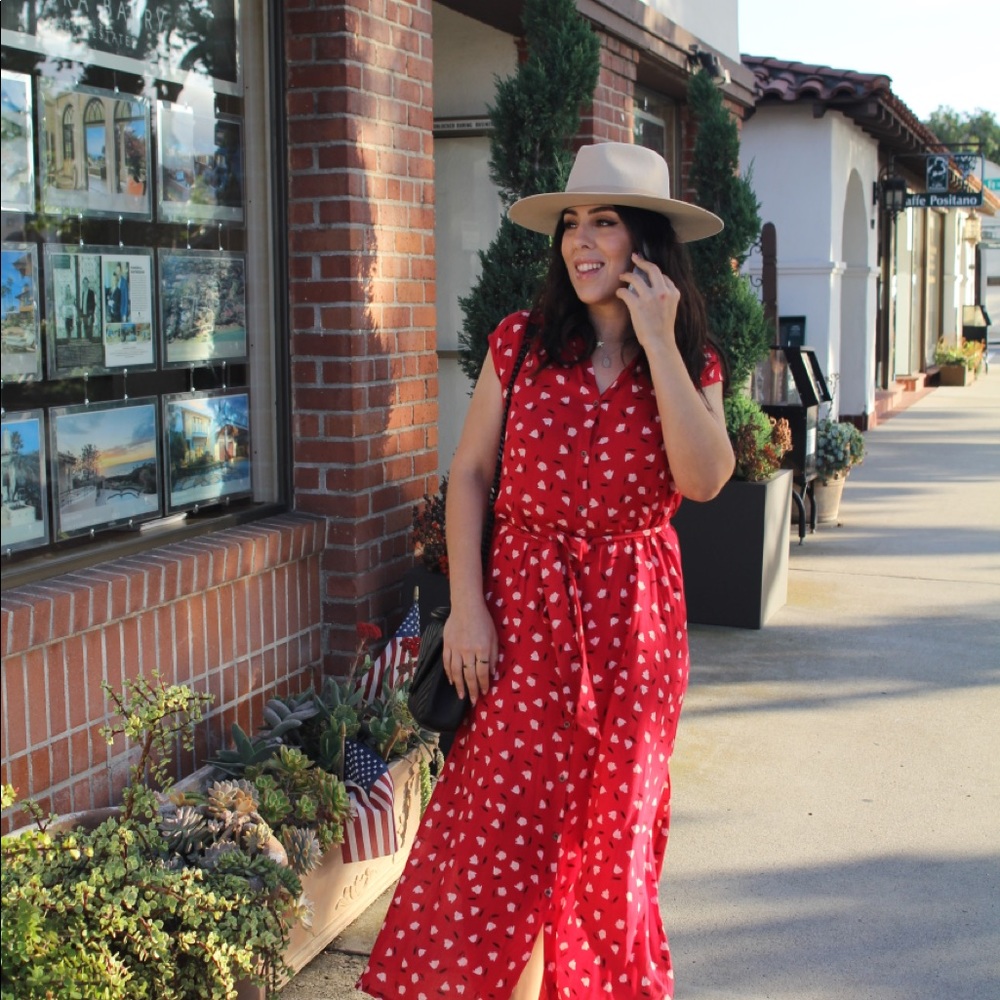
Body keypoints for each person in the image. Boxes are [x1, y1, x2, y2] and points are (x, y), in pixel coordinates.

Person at [359, 142, 735, 1000]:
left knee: (612, 838)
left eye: (604, 221)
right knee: (497, 830)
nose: (581, 240)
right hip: (520, 613)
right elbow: (470, 475)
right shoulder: (522, 341)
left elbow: (706, 480)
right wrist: (465, 608)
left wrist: (657, 342)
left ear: (648, 241)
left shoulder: (688, 360)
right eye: (572, 222)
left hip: (634, 625)